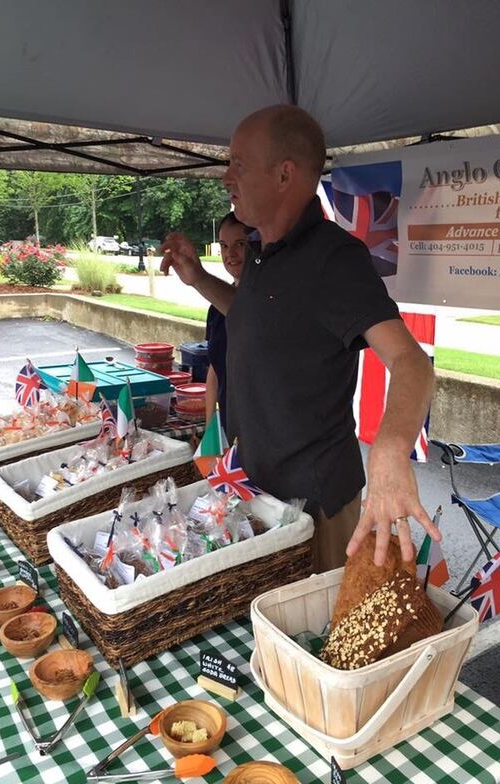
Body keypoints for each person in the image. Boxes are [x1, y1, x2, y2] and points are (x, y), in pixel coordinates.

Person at [161, 105, 441, 571]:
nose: (226, 178)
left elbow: (412, 362)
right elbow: (257, 318)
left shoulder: (336, 260)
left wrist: (391, 451)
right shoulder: (260, 251)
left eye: (239, 164)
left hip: (313, 504)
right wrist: (199, 279)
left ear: (285, 175)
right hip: (253, 485)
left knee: (307, 635)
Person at [205, 212, 250, 429]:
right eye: (223, 245)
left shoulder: (269, 305)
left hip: (259, 428)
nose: (230, 253)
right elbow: (215, 369)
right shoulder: (215, 307)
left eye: (240, 244)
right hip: (226, 422)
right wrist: (210, 429)